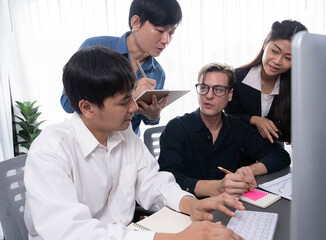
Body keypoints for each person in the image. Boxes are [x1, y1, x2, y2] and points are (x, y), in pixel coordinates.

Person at [24, 47, 245, 240]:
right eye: (124, 101)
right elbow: (71, 232)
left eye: (132, 96)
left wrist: (190, 204)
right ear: (87, 108)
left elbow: (152, 180)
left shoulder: (123, 132)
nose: (134, 107)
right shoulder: (51, 150)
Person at [158, 63, 290, 198]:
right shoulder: (176, 128)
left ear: (230, 94)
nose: (209, 95)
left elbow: (280, 156)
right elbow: (168, 180)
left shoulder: (237, 126)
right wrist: (217, 188)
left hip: (229, 206)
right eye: (204, 88)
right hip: (187, 208)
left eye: (219, 90)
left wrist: (250, 170)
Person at [60, 0, 182, 135]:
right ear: (136, 23)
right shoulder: (94, 48)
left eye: (171, 33)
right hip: (92, 145)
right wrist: (129, 94)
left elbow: (148, 121)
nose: (166, 40)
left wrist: (154, 115)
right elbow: (67, 104)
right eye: (160, 30)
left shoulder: (157, 73)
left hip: (128, 147)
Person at [225, 20, 307, 144]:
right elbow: (227, 116)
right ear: (265, 44)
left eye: (288, 58)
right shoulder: (237, 77)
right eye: (274, 51)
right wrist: (254, 120)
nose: (278, 61)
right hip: (238, 150)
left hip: (272, 154)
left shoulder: (296, 86)